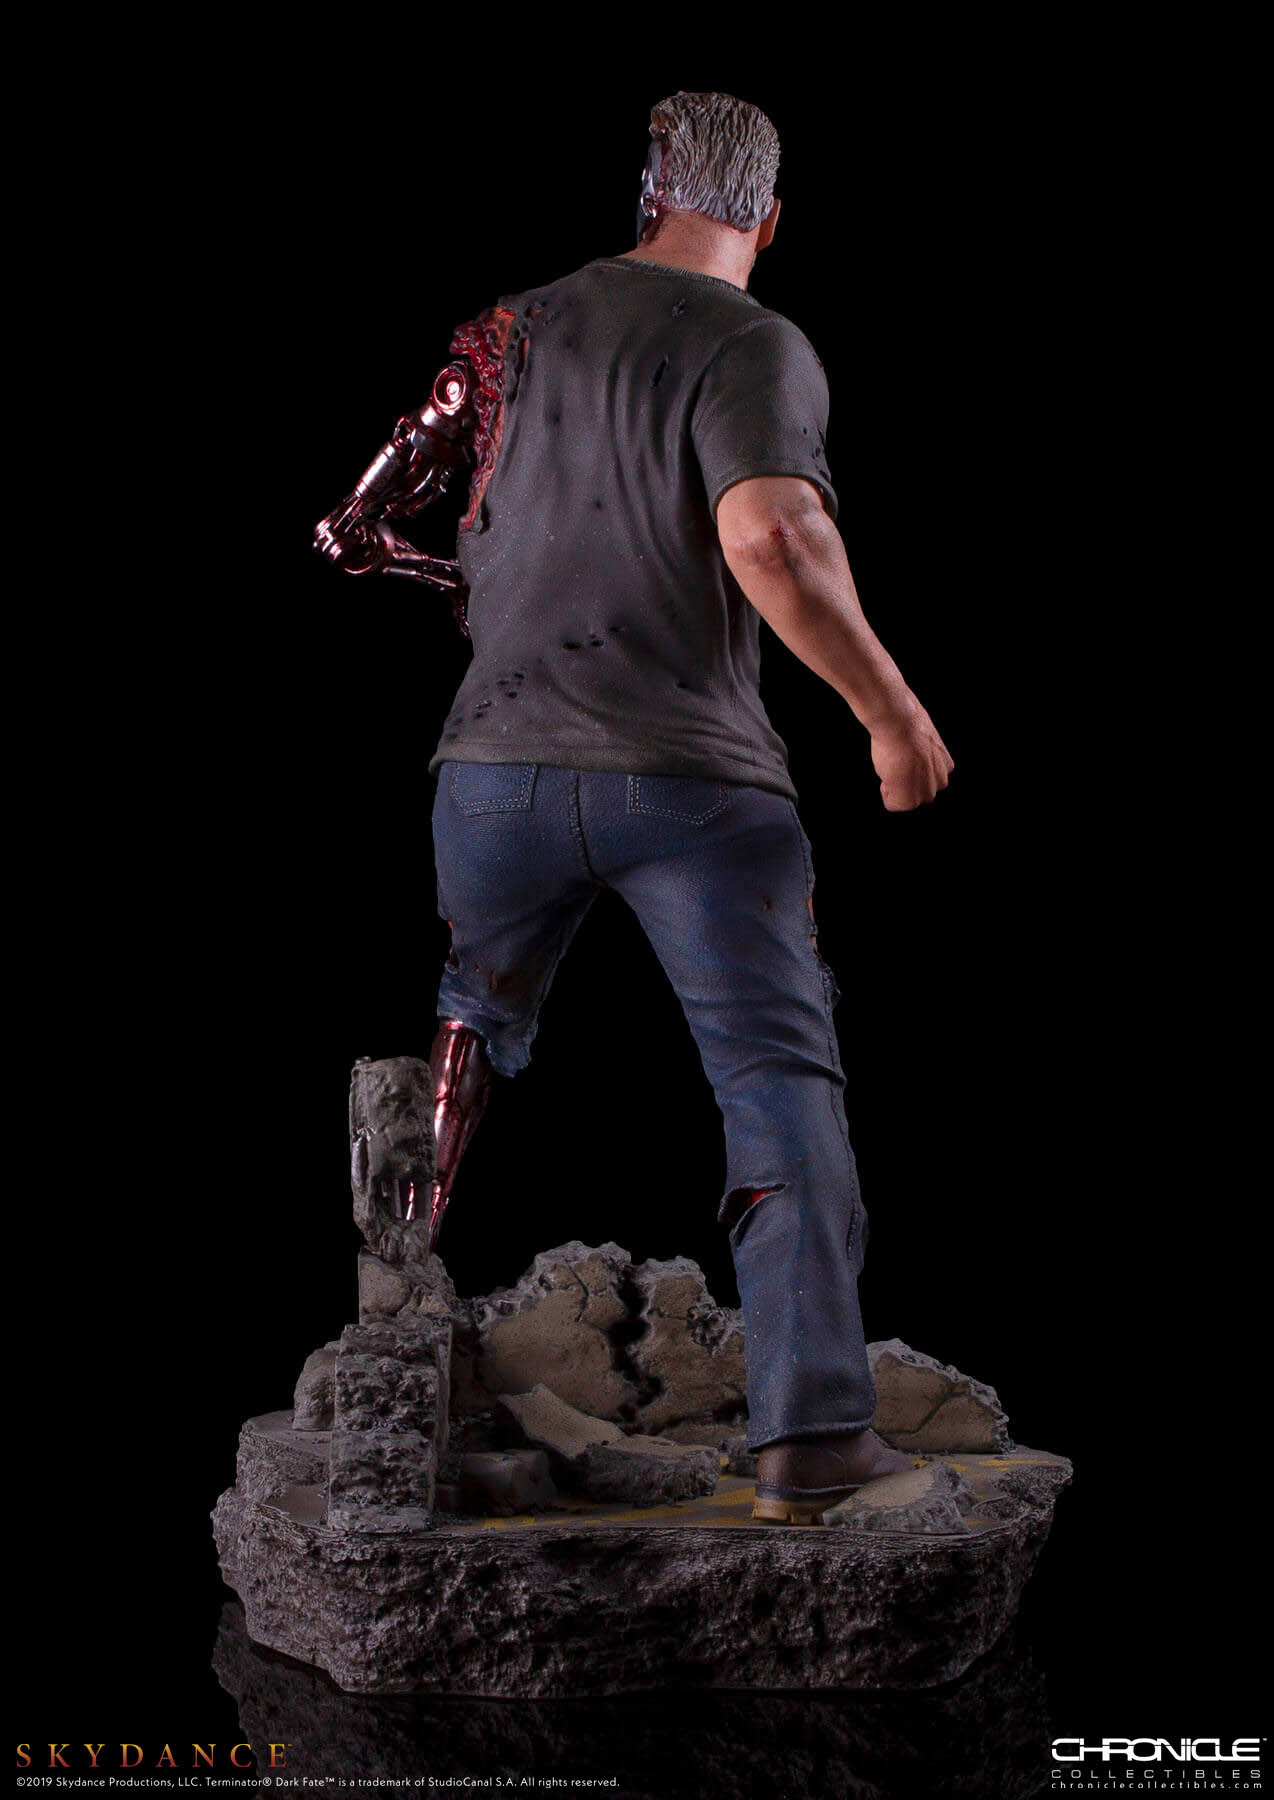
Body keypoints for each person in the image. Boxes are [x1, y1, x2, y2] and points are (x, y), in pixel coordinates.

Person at [326, 91, 953, 1525]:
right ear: (769, 220)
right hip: (694, 789)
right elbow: (776, 536)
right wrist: (895, 719)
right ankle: (811, 1440)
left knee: (466, 1030)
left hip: (488, 777)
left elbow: (379, 520)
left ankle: (390, 1337)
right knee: (774, 1079)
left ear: (647, 191)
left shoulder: (515, 327)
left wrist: (484, 597)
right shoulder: (751, 343)